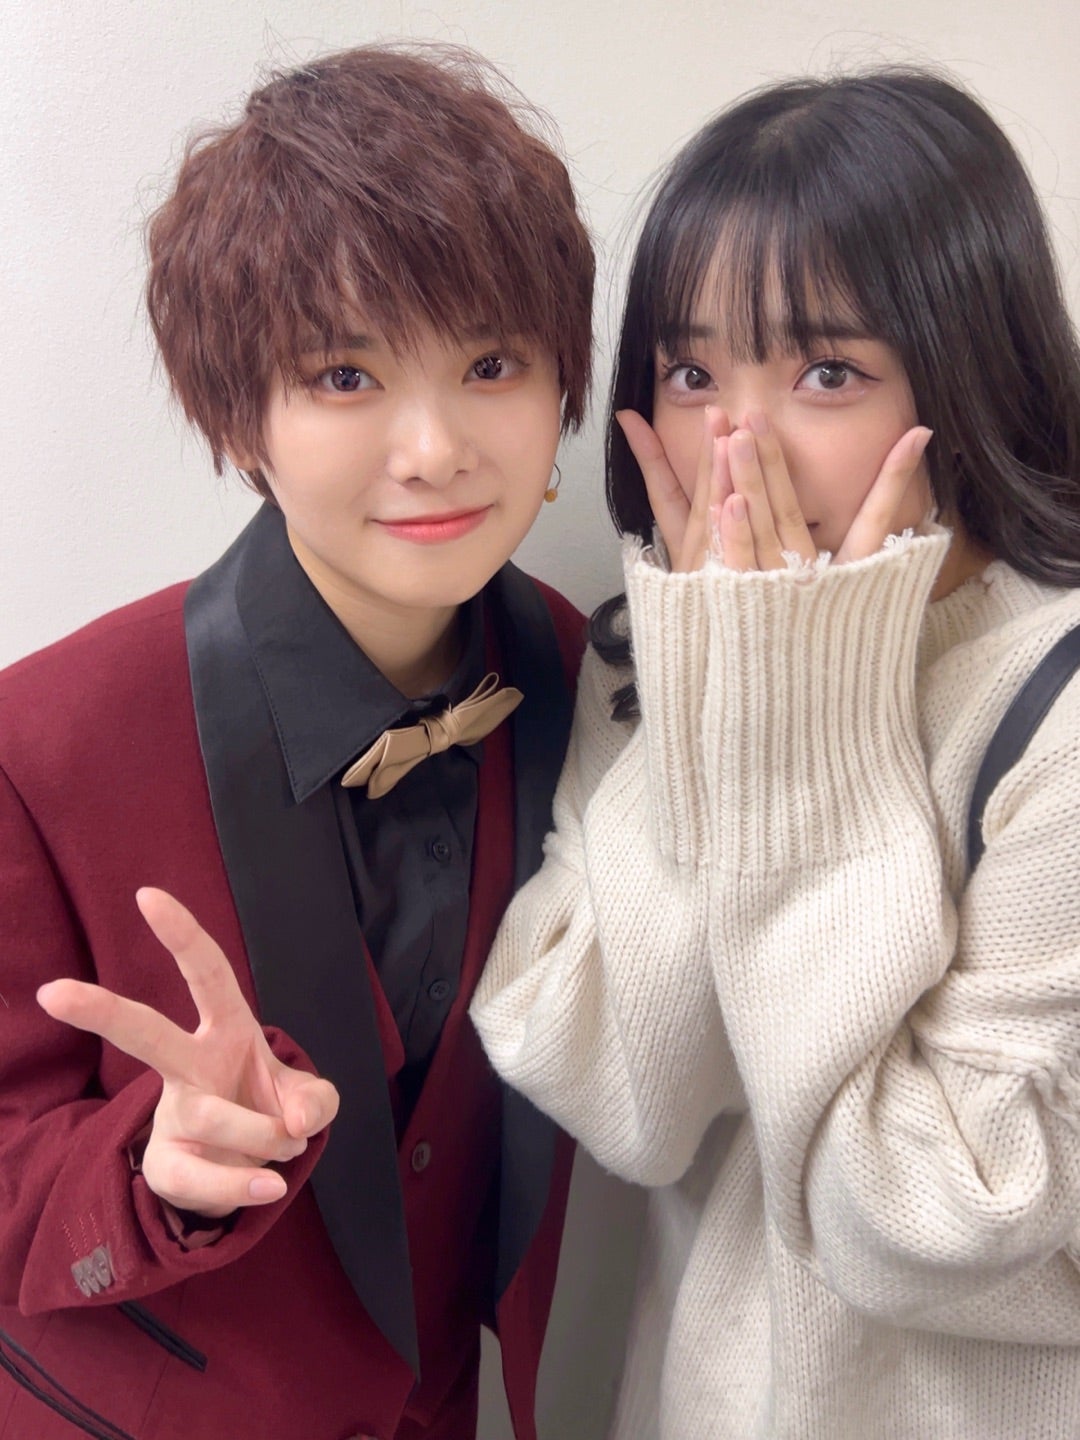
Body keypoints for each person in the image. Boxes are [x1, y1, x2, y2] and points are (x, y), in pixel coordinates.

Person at [472, 68, 1080, 1439]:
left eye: (826, 372)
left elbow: (929, 1215)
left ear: (970, 369)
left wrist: (794, 705)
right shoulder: (656, 654)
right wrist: (727, 675)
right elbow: (613, 1085)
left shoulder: (1055, 705)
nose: (735, 442)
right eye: (692, 373)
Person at [0, 44, 593, 1440]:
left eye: (491, 363)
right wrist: (150, 1164)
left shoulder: (582, 670)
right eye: (344, 375)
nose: (434, 447)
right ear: (240, 418)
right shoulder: (42, 739)